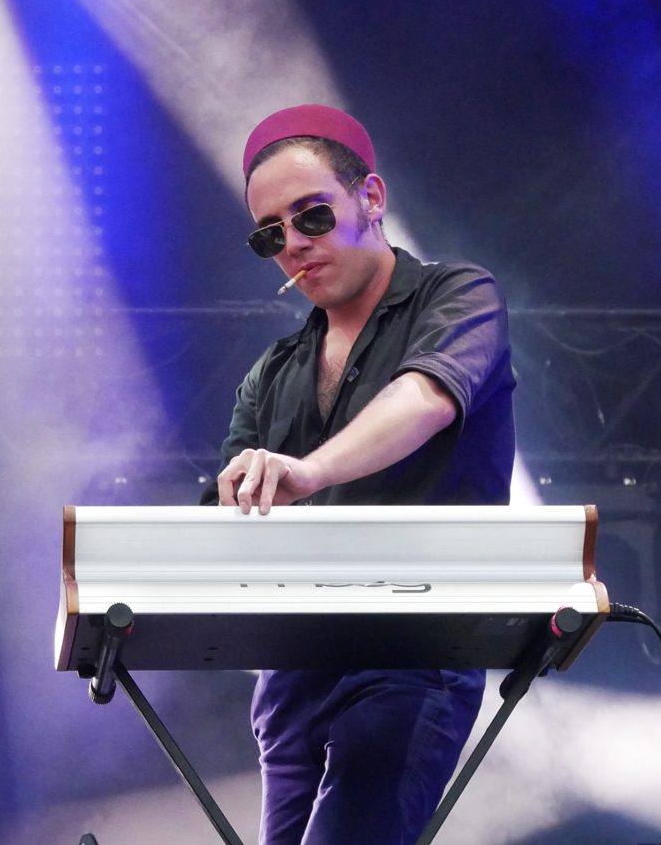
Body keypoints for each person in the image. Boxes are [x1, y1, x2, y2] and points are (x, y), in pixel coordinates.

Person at [206, 104, 515, 845]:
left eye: (312, 215)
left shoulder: (459, 295)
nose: (293, 244)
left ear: (371, 198)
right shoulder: (272, 372)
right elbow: (224, 511)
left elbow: (425, 398)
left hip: (414, 651)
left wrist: (307, 471)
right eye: (270, 233)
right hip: (291, 677)